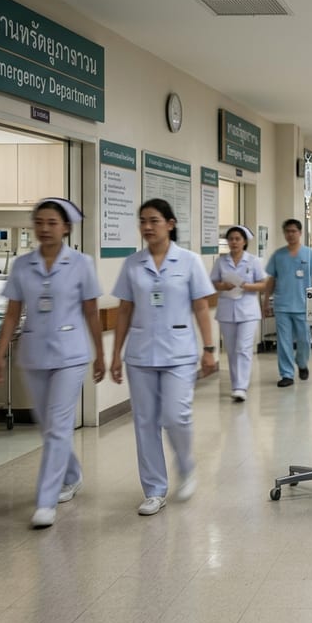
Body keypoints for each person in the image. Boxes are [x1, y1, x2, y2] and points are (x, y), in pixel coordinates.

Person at [0, 198, 104, 528]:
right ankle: (72, 474)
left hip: (71, 354)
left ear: (66, 227)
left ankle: (45, 500)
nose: (44, 228)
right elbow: (12, 314)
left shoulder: (81, 263)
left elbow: (92, 312)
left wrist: (100, 354)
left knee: (58, 424)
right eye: (39, 222)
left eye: (52, 223)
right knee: (49, 425)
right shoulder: (23, 265)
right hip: (35, 353)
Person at [110, 199, 217, 516]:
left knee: (175, 415)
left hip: (179, 352)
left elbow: (201, 307)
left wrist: (209, 349)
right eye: (142, 221)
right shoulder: (132, 264)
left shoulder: (189, 261)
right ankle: (154, 490)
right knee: (145, 423)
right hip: (140, 354)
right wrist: (115, 354)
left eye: (154, 220)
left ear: (170, 224)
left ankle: (186, 465)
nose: (146, 227)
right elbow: (124, 311)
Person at [210, 226, 269, 402]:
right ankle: (236, 383)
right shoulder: (221, 262)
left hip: (248, 311)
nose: (234, 242)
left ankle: (240, 387)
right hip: (227, 310)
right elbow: (212, 283)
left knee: (243, 348)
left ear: (244, 242)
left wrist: (245, 285)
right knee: (231, 350)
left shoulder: (253, 261)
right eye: (231, 239)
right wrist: (223, 286)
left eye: (237, 239)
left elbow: (264, 285)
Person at [263, 219, 312, 387]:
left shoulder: (311, 255)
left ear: (300, 232)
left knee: (304, 340)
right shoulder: (278, 255)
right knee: (284, 342)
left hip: (304, 305)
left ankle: (302, 363)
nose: (290, 234)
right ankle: (287, 374)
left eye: (293, 231)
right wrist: (266, 302)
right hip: (282, 305)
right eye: (287, 231)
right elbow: (271, 280)